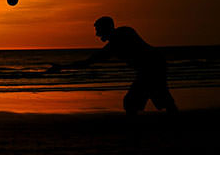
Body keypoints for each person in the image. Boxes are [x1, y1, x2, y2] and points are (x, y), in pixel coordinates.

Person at [47, 16, 178, 115]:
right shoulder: (117, 40)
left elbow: (90, 61)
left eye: (98, 30)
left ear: (105, 28)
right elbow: (89, 62)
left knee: (135, 101)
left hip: (152, 67)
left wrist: (62, 67)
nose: (97, 34)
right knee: (157, 98)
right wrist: (62, 67)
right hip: (152, 66)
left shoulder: (121, 35)